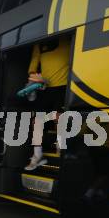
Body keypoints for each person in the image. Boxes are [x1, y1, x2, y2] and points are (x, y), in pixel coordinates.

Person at [25, 36, 70, 171]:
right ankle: (37, 155)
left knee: (58, 117)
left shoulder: (67, 39)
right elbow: (33, 67)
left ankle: (61, 150)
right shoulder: (39, 43)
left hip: (63, 86)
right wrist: (36, 79)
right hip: (45, 87)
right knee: (36, 122)